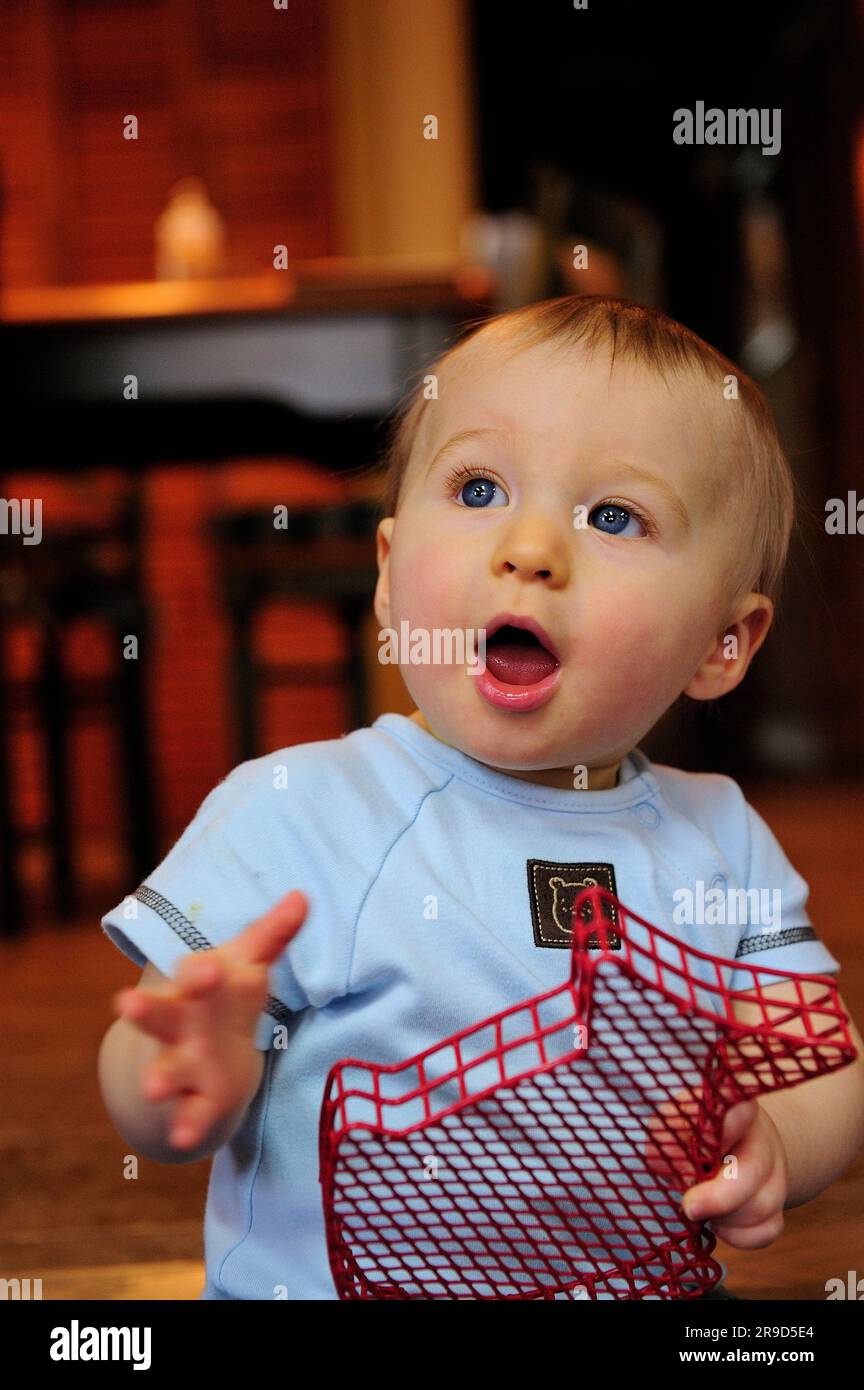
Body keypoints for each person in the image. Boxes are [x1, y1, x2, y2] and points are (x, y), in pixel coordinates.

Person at [97, 294, 864, 1300]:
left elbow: (818, 1059)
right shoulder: (296, 810)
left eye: (616, 516)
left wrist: (776, 1136)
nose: (532, 547)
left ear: (724, 643)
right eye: (478, 489)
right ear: (385, 576)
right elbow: (146, 1069)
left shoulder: (720, 836)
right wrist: (185, 1070)